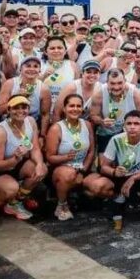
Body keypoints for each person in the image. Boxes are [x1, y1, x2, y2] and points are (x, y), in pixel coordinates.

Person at [98, 110, 140, 231]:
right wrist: (114, 172)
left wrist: (134, 178)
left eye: (136, 124)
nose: (132, 127)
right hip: (122, 177)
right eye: (129, 124)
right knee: (99, 185)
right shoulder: (116, 139)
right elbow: (103, 167)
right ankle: (118, 200)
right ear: (124, 126)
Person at [0, 95, 48, 223]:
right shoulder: (0, 131)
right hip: (1, 171)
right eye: (16, 108)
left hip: (18, 165)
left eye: (24, 107)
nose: (20, 111)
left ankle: (14, 203)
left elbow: (35, 148)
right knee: (11, 189)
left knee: (41, 169)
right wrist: (15, 158)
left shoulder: (31, 121)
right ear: (8, 110)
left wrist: (38, 164)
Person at [45, 93, 99, 221]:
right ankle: (61, 204)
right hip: (62, 170)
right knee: (68, 175)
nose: (75, 109)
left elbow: (91, 151)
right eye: (71, 106)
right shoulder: (56, 128)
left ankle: (78, 197)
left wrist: (83, 170)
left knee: (104, 186)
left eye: (78, 106)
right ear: (64, 108)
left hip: (82, 168)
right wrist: (65, 158)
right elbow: (50, 157)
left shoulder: (87, 125)